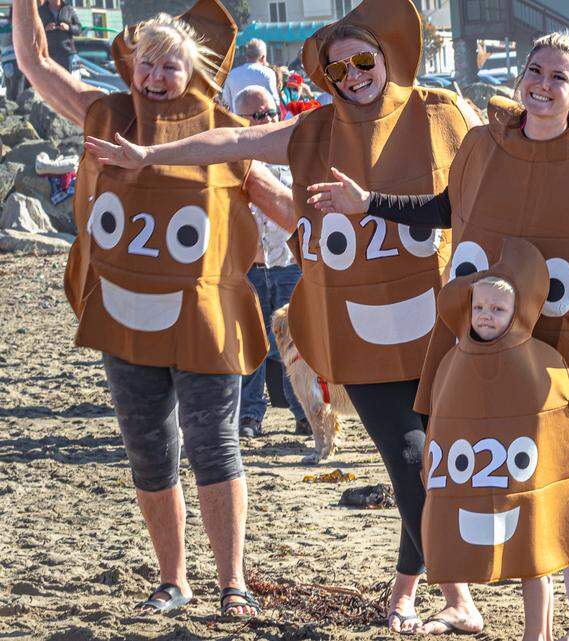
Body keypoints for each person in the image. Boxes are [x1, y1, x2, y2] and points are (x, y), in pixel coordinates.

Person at [86, 0, 486, 634]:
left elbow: (488, 175)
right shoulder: (314, 131)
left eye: (363, 61)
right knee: (412, 460)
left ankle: (407, 591)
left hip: (440, 326)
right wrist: (148, 157)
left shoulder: (440, 112)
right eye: (338, 69)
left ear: (386, 58)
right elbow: (232, 141)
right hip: (358, 330)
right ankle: (456, 595)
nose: (353, 76)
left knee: (434, 463)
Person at [305, 32, 569, 641]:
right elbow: (448, 209)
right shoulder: (485, 146)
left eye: (558, 77)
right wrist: (369, 204)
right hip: (518, 344)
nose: (542, 85)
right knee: (561, 472)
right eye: (535, 71)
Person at [17, 0, 296, 619]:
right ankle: (173, 581)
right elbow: (36, 64)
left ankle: (233, 584)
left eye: (170, 65)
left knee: (214, 446)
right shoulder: (109, 114)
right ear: (132, 65)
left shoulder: (221, 132)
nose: (155, 76)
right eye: (147, 63)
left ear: (193, 71)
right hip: (126, 317)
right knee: (149, 451)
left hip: (205, 318)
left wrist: (341, 246)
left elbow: (281, 205)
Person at [419, 238, 569, 641]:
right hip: (477, 475)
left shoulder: (537, 359)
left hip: (522, 479)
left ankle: (537, 634)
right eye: (479, 307)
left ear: (517, 312)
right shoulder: (454, 361)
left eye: (497, 310)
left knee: (534, 559)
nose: (486, 315)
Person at [230, 85, 309, 438]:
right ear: (239, 119)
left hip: (287, 265)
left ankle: (303, 413)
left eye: (271, 113)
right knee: (251, 346)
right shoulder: (229, 161)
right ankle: (250, 416)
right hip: (249, 269)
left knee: (294, 344)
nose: (267, 120)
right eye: (258, 115)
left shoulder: (292, 155)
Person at [221, 38, 280, 112]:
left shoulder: (232, 74)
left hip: (237, 117)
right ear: (263, 57)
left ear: (246, 56)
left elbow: (226, 103)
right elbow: (274, 102)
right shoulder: (268, 73)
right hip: (261, 118)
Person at [37, 0, 80, 71]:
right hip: (48, 54)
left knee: (67, 77)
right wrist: (45, 28)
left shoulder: (68, 9)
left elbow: (79, 29)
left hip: (66, 54)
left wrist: (68, 28)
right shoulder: (41, 10)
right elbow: (34, 30)